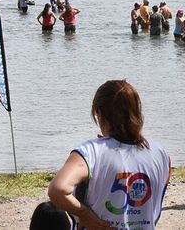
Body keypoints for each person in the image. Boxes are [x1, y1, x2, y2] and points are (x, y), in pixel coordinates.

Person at [48, 80, 170, 229]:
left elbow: (57, 190)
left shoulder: (90, 151)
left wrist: (86, 216)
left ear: (100, 113)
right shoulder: (160, 153)